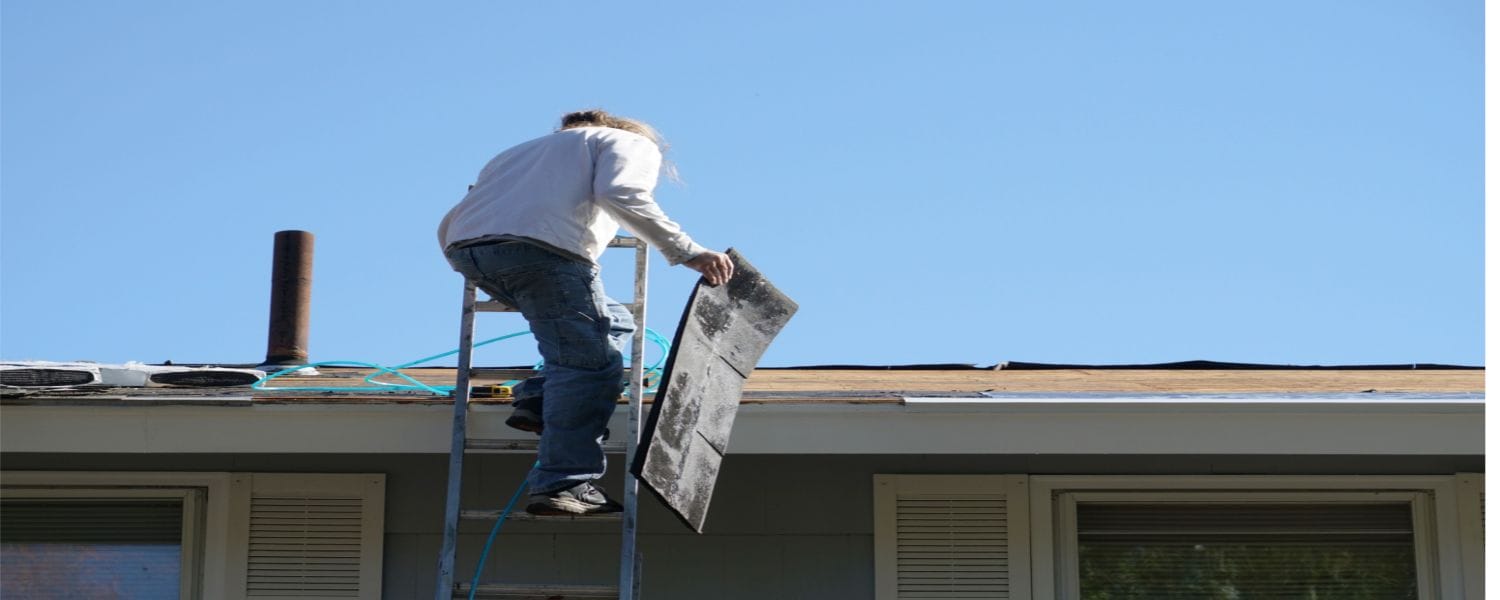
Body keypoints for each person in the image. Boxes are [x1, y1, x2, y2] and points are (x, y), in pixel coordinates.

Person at [439, 110, 733, 515]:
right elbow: (621, 193)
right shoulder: (625, 141)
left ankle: (540, 397)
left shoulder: (516, 153)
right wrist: (689, 252)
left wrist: (503, 274)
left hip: (468, 251)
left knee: (614, 319)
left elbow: (449, 222)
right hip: (544, 252)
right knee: (591, 366)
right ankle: (564, 482)